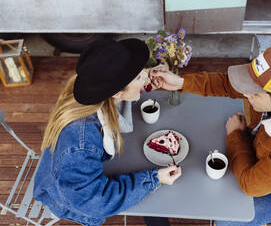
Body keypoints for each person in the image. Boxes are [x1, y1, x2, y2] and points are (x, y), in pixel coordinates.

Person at [150, 45, 271, 226]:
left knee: (225, 219)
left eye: (253, 94)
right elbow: (229, 84)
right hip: (264, 154)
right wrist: (181, 83)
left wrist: (236, 135)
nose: (245, 94)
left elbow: (250, 185)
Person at [33, 39, 182, 226]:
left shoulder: (94, 94)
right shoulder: (81, 142)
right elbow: (95, 202)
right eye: (138, 77)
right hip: (72, 200)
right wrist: (154, 179)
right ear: (117, 92)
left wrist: (146, 84)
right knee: (155, 196)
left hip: (85, 172)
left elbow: (122, 98)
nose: (145, 76)